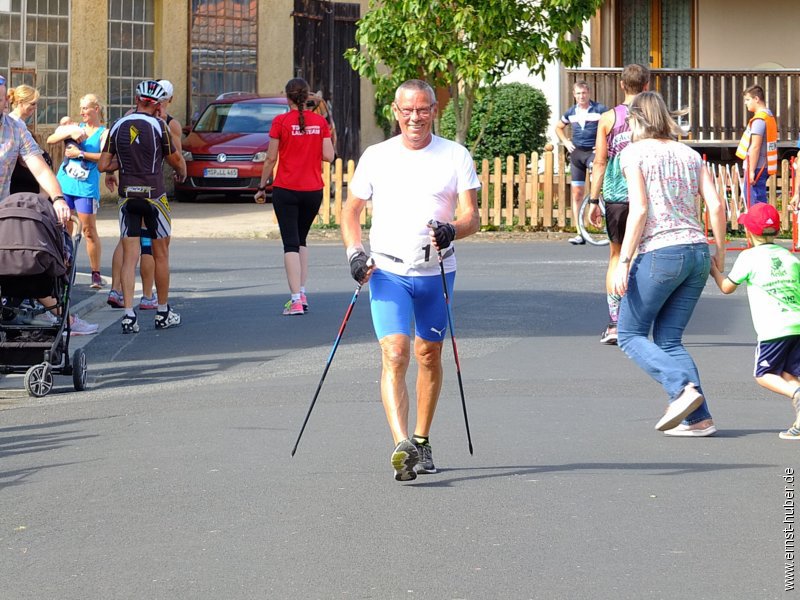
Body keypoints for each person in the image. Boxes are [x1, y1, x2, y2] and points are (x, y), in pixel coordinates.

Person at [341, 79, 480, 481]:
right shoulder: (377, 156)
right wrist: (355, 253)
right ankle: (401, 443)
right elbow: (350, 212)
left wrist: (453, 229)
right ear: (395, 111)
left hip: (436, 273)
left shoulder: (454, 155)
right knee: (396, 353)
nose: (415, 118)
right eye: (407, 111)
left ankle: (422, 438)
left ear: (435, 110)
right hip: (388, 271)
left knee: (427, 355)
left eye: (423, 110)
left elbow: (473, 216)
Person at [612, 91, 726, 437]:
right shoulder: (689, 153)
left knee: (629, 334)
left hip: (661, 252)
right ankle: (699, 419)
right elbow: (717, 206)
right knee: (669, 339)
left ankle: (681, 389)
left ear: (636, 120)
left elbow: (641, 210)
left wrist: (624, 261)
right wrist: (719, 253)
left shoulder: (633, 153)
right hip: (696, 251)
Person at [98, 80, 187, 334]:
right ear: (158, 104)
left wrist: (123, 163)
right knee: (161, 254)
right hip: (154, 196)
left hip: (128, 197)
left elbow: (103, 165)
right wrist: (182, 171)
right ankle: (162, 311)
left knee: (130, 256)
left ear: (136, 99)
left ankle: (128, 315)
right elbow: (174, 158)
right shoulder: (160, 125)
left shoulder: (118, 125)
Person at [709, 203, 800, 440]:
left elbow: (727, 287)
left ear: (749, 232)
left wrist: (714, 271)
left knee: (764, 374)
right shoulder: (790, 258)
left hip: (773, 328)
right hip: (797, 324)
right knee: (790, 374)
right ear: (778, 232)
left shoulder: (748, 257)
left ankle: (798, 394)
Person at [254, 77, 334, 315]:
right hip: (313, 190)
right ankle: (302, 292)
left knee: (290, 243)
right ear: (308, 96)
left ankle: (295, 300)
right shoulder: (320, 122)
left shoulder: (280, 121)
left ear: (286, 97)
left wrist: (261, 186)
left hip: (286, 189)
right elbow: (329, 156)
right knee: (301, 240)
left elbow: (270, 158)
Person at [588, 64, 650, 345]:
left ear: (622, 86)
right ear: (646, 86)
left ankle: (615, 322)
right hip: (645, 193)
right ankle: (636, 321)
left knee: (617, 256)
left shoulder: (608, 118)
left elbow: (599, 161)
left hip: (615, 193)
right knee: (639, 257)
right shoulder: (652, 115)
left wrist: (592, 199)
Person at [47, 94, 109, 290]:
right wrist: (69, 132)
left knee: (89, 230)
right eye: (81, 108)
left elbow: (104, 157)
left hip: (86, 188)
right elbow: (51, 139)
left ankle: (95, 273)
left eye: (85, 108)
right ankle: (65, 268)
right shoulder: (76, 128)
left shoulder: (103, 133)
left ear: (96, 109)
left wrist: (80, 153)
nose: (81, 112)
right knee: (63, 226)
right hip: (65, 184)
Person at [555, 81, 608, 245]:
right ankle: (580, 231)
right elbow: (558, 127)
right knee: (577, 193)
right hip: (577, 154)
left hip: (593, 154)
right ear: (574, 95)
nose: (581, 96)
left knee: (597, 187)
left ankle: (604, 225)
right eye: (578, 94)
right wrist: (565, 142)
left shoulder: (600, 110)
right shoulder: (571, 112)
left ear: (589, 93)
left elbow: (611, 127)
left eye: (584, 93)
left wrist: (602, 145)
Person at [7, 84, 54, 195]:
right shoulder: (14, 123)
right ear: (20, 103)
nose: (35, 107)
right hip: (22, 184)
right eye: (32, 104)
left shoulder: (20, 123)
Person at [735, 85, 777, 205]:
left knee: (755, 202)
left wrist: (751, 170)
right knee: (758, 200)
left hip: (757, 166)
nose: (745, 103)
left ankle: (759, 224)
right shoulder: (769, 116)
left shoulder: (759, 119)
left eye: (748, 100)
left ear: (756, 99)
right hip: (765, 165)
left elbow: (755, 146)